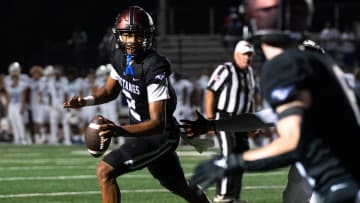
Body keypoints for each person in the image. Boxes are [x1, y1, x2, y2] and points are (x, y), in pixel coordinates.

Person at [180, 0, 360, 202]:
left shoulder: (288, 65)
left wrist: (230, 163)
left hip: (342, 182)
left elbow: (292, 142)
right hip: (342, 171)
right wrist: (213, 124)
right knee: (294, 191)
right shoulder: (324, 70)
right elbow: (260, 118)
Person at [64, 5, 210, 203]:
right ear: (118, 36)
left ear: (147, 36)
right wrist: (86, 101)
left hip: (159, 135)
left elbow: (157, 122)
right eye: (127, 35)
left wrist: (118, 130)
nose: (132, 41)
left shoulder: (155, 65)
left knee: (105, 171)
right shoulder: (119, 56)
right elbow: (109, 91)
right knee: (180, 186)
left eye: (137, 35)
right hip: (142, 133)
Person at [205, 40, 256, 203]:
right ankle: (223, 196)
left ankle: (234, 195)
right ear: (236, 54)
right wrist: (210, 119)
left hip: (242, 120)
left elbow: (251, 98)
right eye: (245, 54)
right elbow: (210, 92)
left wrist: (253, 121)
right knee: (229, 155)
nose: (248, 58)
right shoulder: (225, 69)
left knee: (241, 158)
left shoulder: (250, 72)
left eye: (250, 55)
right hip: (225, 118)